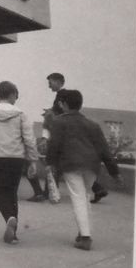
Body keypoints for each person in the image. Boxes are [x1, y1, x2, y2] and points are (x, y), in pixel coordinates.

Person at [45, 89, 122, 251]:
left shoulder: (58, 122)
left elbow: (54, 146)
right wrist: (114, 172)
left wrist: (50, 163)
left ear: (64, 104)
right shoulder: (92, 124)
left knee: (78, 197)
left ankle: (85, 238)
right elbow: (104, 149)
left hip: (71, 165)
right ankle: (83, 232)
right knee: (85, 196)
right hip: (92, 166)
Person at [0, 81, 39, 244]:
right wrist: (32, 160)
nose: (17, 98)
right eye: (16, 95)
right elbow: (29, 139)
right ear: (11, 94)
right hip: (17, 158)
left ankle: (9, 218)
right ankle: (13, 233)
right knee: (12, 193)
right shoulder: (21, 113)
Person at [46, 73, 108, 203]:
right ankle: (98, 188)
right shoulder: (65, 95)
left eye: (50, 82)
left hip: (65, 133)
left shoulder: (62, 95)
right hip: (68, 132)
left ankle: (51, 191)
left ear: (58, 82)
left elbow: (61, 114)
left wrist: (50, 114)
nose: (49, 85)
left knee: (61, 163)